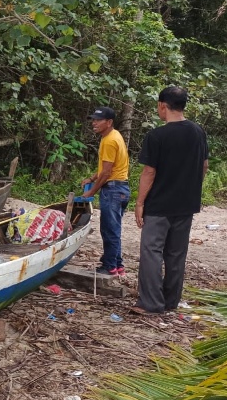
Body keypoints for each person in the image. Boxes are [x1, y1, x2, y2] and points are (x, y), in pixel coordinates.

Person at [132, 86, 209, 315]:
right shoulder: (198, 132)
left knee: (151, 251)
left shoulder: (157, 136)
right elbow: (204, 166)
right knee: (176, 254)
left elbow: (149, 172)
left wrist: (139, 203)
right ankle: (171, 301)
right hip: (186, 204)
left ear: (162, 105)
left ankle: (151, 303)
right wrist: (190, 187)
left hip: (159, 206)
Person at [81, 106, 130, 276]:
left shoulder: (109, 140)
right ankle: (117, 265)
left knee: (110, 230)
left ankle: (109, 267)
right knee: (112, 228)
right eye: (93, 119)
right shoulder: (112, 136)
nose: (94, 123)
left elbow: (107, 172)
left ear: (109, 122)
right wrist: (92, 178)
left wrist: (91, 191)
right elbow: (106, 167)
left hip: (113, 189)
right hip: (120, 188)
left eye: (98, 120)